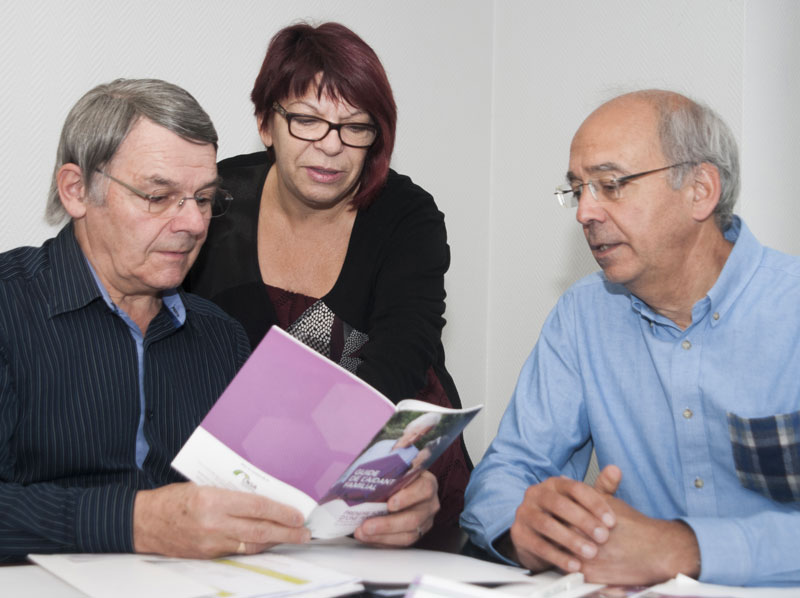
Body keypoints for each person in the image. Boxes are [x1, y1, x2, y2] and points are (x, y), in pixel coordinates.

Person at [0, 78, 436, 563]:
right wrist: (132, 522)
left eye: (204, 199)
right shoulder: (9, 308)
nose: (192, 224)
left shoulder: (222, 337)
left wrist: (380, 504)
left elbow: (283, 495)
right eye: (158, 196)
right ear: (77, 190)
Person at [461, 90, 800, 587]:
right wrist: (523, 530)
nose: (584, 213)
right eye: (577, 189)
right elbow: (507, 470)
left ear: (701, 190)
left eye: (611, 184)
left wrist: (682, 547)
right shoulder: (583, 315)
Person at [186, 21, 471, 531]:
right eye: (307, 120)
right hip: (247, 481)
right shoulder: (214, 202)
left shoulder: (407, 217)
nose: (331, 145)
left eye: (355, 126)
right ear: (265, 122)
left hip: (390, 483)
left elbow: (399, 365)